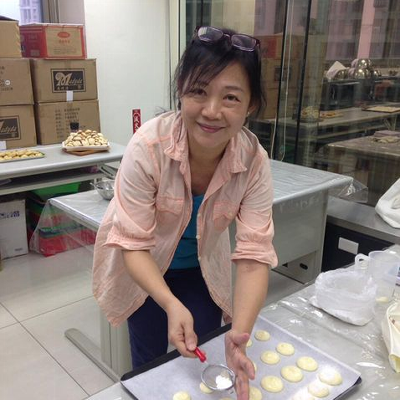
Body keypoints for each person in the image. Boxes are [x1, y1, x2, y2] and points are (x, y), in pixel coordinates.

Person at [93, 25, 278, 400]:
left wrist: (239, 337)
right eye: (199, 91)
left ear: (250, 105)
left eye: (230, 97)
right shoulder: (149, 147)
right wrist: (168, 303)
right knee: (148, 358)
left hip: (201, 268)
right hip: (144, 269)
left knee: (204, 351)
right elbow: (132, 244)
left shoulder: (253, 161)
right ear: (180, 90)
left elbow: (254, 257)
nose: (211, 111)